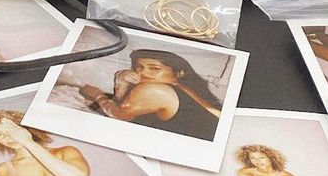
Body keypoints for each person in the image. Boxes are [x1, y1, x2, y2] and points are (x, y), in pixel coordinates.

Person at [77, 47, 221, 140]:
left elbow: (119, 116)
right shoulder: (183, 87)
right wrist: (121, 83)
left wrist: (98, 96)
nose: (142, 73)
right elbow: (123, 106)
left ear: (179, 73)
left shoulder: (154, 90)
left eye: (154, 68)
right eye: (139, 67)